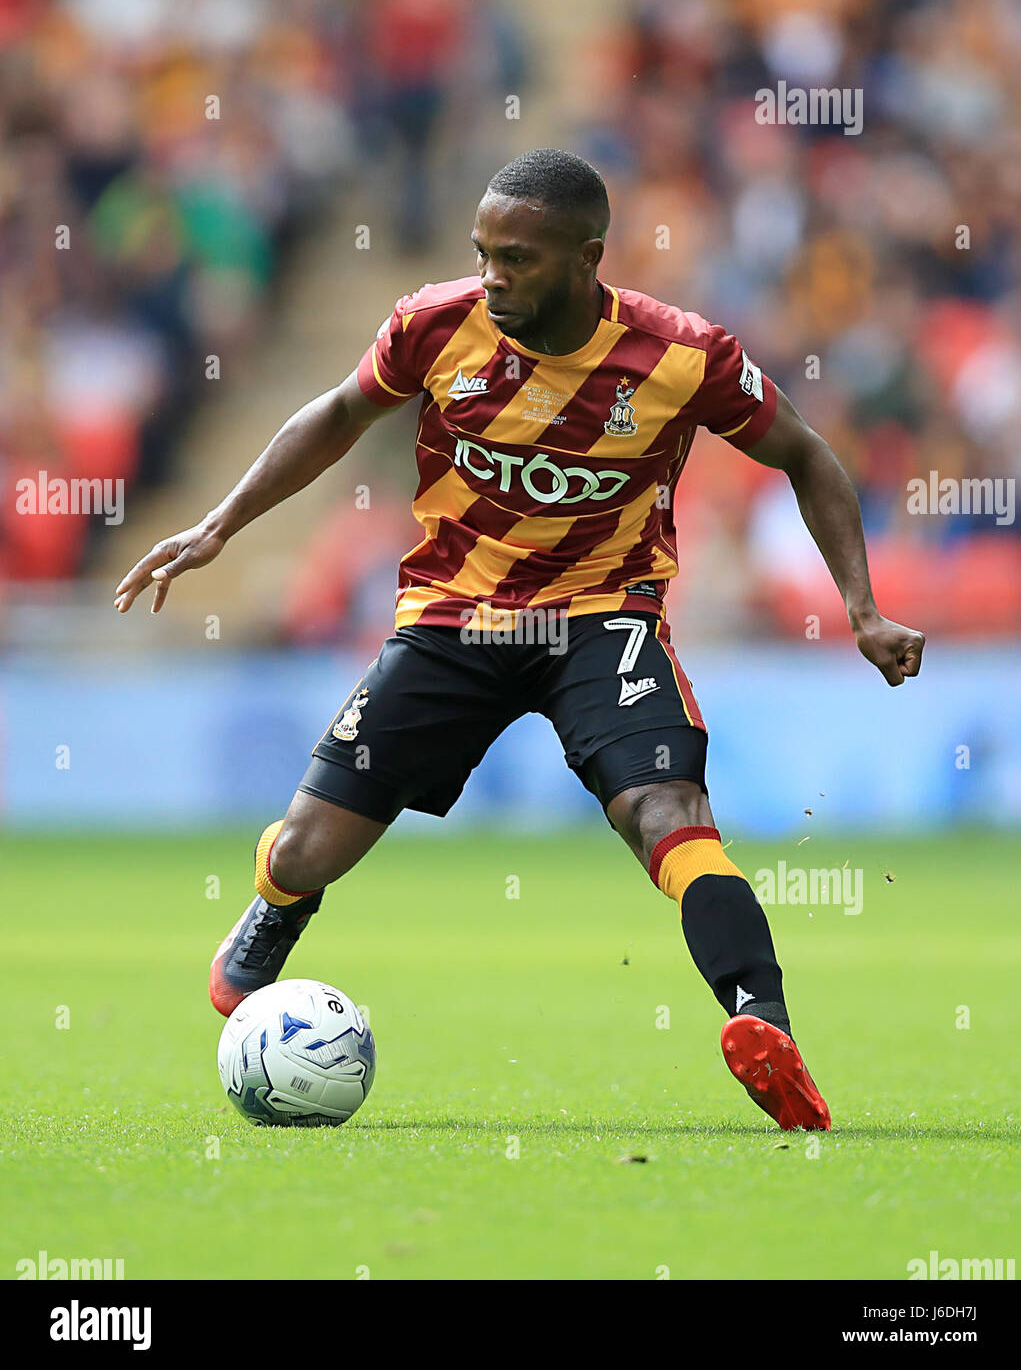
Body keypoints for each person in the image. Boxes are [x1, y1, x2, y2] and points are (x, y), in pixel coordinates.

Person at [115, 149, 925, 1131]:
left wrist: (860, 606)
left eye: (519, 259)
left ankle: (767, 1027)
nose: (493, 274)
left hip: (602, 619)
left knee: (669, 812)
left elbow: (805, 453)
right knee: (307, 846)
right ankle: (280, 902)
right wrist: (219, 525)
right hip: (455, 619)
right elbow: (335, 414)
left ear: (587, 259)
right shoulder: (432, 325)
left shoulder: (682, 355)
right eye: (484, 253)